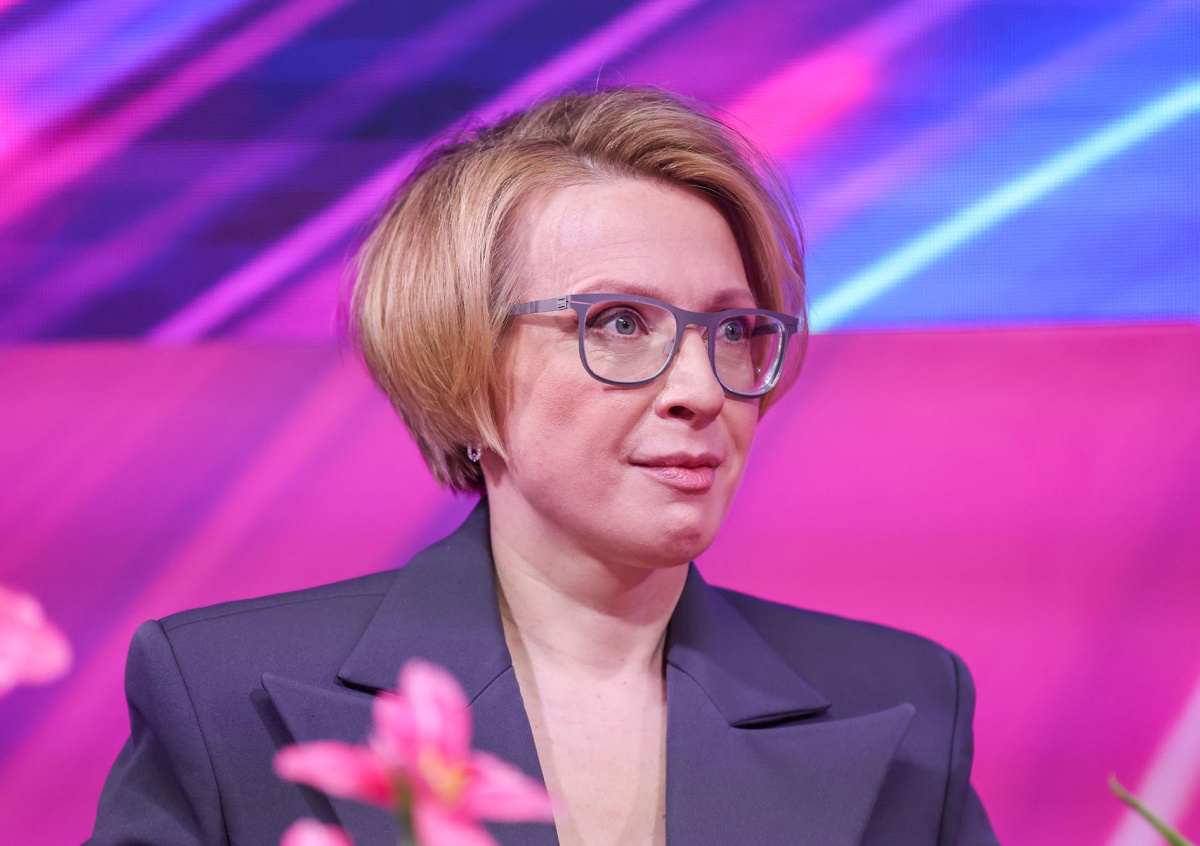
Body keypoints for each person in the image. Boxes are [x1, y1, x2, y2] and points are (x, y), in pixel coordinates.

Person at [89, 86, 1000, 845]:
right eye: (619, 323)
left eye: (732, 330)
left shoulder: (905, 701)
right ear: (464, 370)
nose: (702, 389)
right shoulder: (221, 693)